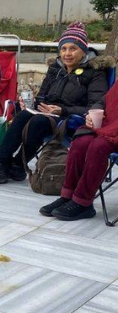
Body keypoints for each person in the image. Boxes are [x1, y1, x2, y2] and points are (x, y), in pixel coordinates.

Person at [0, 22, 109, 186]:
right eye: (63, 49)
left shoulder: (95, 73)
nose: (67, 54)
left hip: (73, 119)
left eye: (73, 49)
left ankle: (17, 165)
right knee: (23, 115)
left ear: (83, 51)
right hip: (48, 114)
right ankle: (1, 165)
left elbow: (95, 107)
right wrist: (29, 104)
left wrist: (62, 110)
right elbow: (43, 97)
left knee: (39, 121)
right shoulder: (55, 69)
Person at [40, 82, 118, 221]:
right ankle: (67, 196)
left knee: (98, 147)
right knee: (80, 143)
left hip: (113, 133)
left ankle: (83, 202)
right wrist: (91, 114)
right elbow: (103, 101)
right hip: (108, 127)